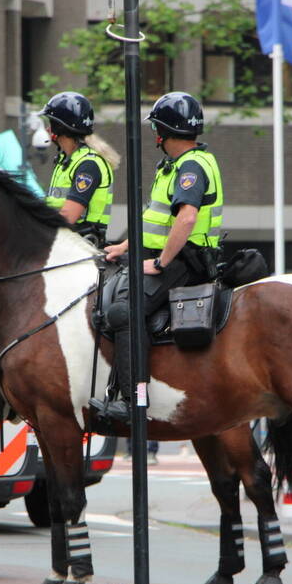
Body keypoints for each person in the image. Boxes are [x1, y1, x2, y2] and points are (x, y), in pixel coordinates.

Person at [92, 92, 222, 427]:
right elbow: (155, 219)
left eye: (156, 130)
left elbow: (186, 219)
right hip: (167, 253)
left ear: (162, 132)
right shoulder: (175, 166)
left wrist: (161, 263)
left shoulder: (190, 167)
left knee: (124, 312)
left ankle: (132, 399)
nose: (154, 136)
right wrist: (123, 247)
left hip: (185, 260)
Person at [41, 91, 114, 245]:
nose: (48, 129)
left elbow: (68, 216)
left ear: (60, 127)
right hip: (62, 244)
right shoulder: (66, 160)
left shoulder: (88, 165)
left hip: (80, 248)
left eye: (51, 123)